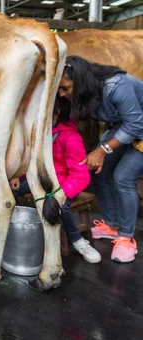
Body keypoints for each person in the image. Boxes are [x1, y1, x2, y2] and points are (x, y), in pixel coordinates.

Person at [59, 55, 143, 263]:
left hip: (138, 127)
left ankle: (127, 237)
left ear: (80, 83)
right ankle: (113, 226)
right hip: (122, 128)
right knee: (98, 172)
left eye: (66, 88)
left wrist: (102, 150)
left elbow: (135, 125)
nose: (63, 94)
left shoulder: (116, 85)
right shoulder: (87, 95)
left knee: (123, 176)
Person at [10, 97, 101, 263]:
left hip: (62, 184)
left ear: (57, 113)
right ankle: (28, 228)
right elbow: (32, 161)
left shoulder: (71, 138)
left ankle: (78, 241)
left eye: (44, 114)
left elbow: (80, 174)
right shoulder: (40, 133)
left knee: (62, 206)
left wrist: (63, 192)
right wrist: (18, 175)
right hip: (39, 180)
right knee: (11, 192)